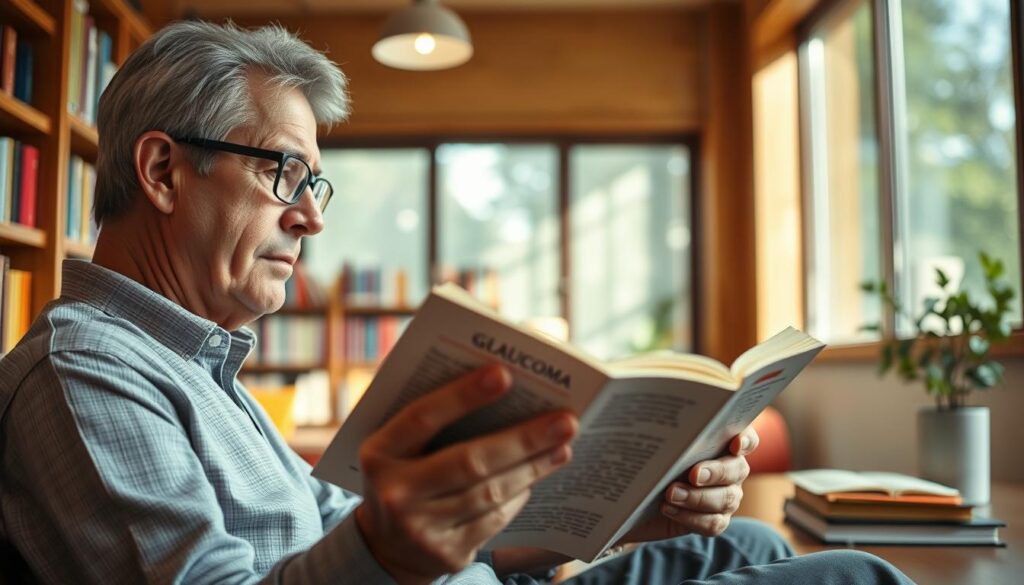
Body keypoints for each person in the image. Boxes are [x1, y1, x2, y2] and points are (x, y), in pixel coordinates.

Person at [0, 21, 914, 585]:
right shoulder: (85, 369)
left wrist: (627, 510)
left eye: (316, 184)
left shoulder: (202, 361)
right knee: (857, 575)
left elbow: (335, 532)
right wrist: (388, 553)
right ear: (163, 169)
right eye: (284, 171)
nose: (309, 218)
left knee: (743, 547)